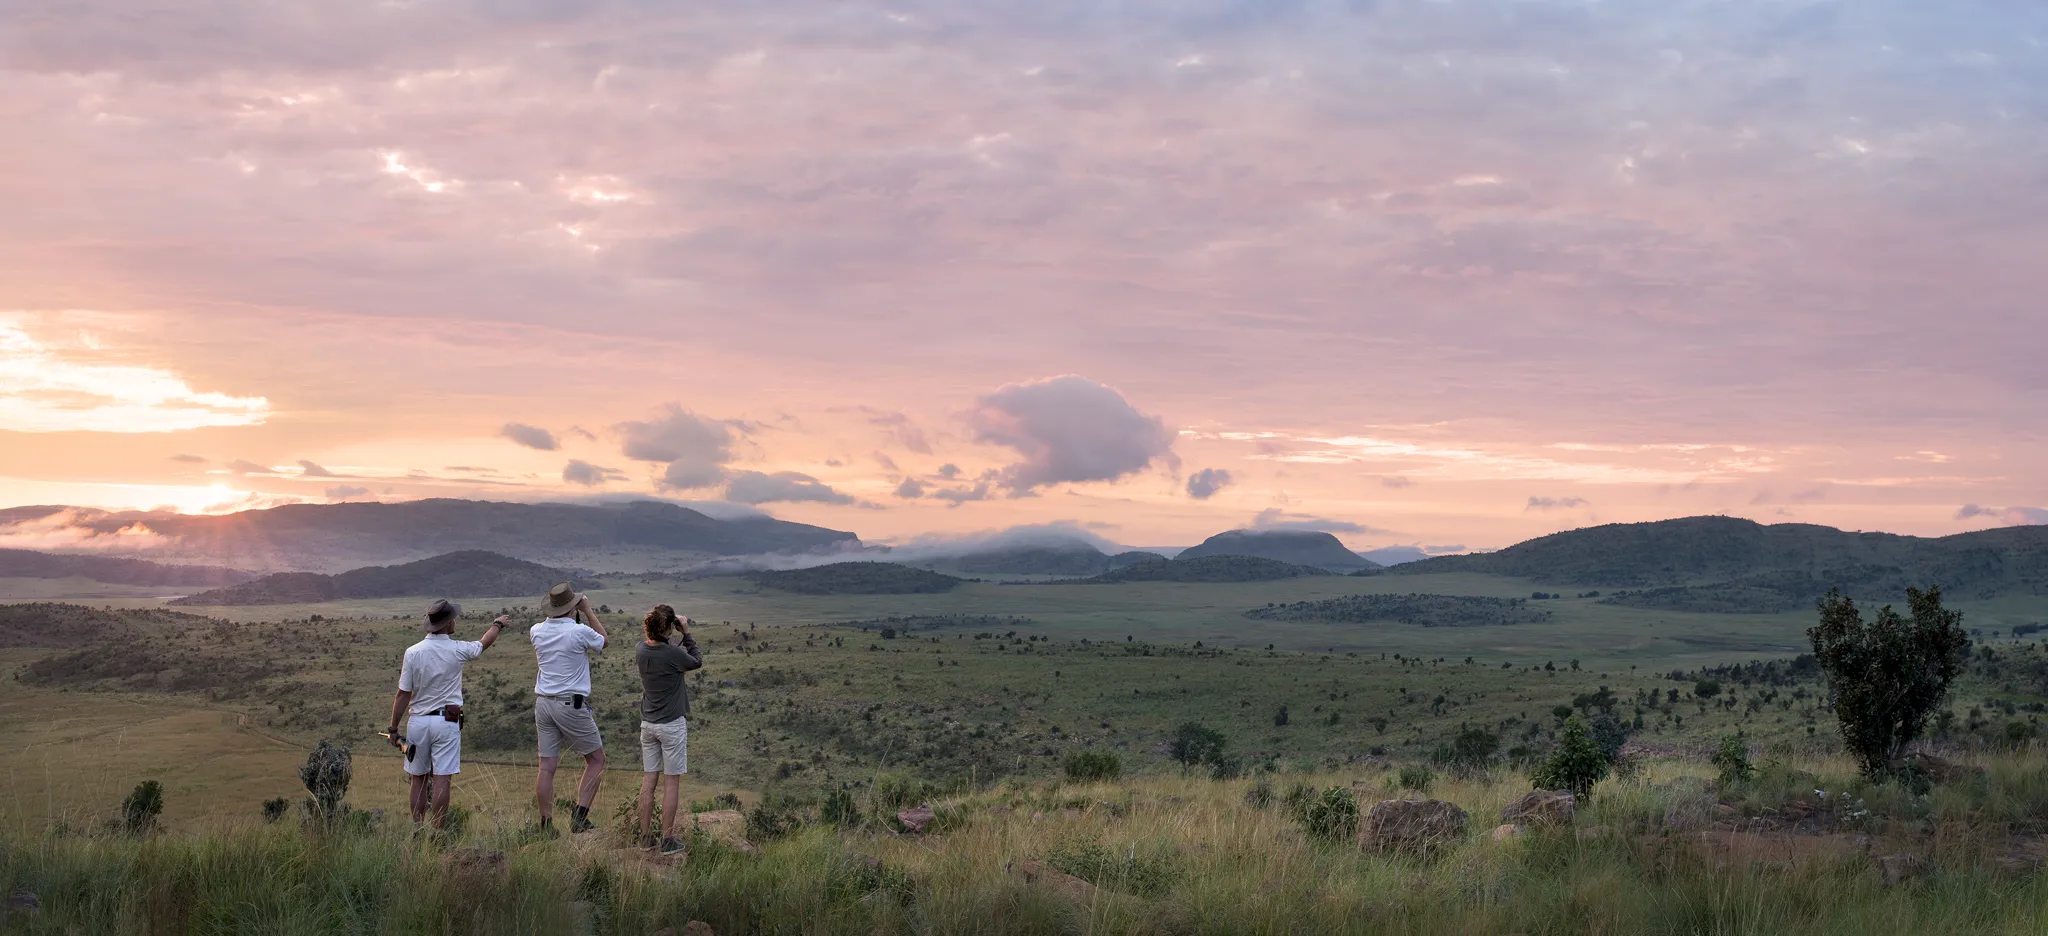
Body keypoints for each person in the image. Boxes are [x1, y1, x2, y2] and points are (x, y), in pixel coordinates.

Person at [386, 599, 508, 830]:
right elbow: (484, 644)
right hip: (446, 721)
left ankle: (418, 828)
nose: (455, 621)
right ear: (445, 624)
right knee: (442, 779)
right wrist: (497, 624)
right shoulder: (457, 649)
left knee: (418, 780)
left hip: (418, 723)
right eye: (452, 618)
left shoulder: (412, 652)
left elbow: (402, 694)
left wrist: (393, 729)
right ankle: (438, 832)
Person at [529, 582, 609, 834]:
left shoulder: (536, 631)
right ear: (572, 607)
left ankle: (546, 825)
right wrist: (587, 610)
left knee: (546, 767)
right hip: (569, 703)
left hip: (543, 703)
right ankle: (580, 817)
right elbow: (604, 642)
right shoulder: (578, 631)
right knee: (596, 760)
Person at [635, 604, 702, 853]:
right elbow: (696, 661)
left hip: (648, 724)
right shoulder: (673, 654)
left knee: (649, 780)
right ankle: (667, 840)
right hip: (671, 725)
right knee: (671, 783)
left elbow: (656, 644)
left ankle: (644, 838)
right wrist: (686, 632)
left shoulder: (640, 649)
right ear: (668, 627)